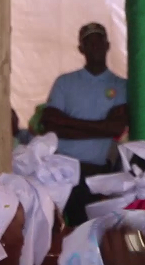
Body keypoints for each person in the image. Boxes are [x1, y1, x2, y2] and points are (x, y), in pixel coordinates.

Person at [40, 23, 128, 225]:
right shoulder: (65, 82)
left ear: (107, 46)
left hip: (95, 171)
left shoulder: (120, 85)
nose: (95, 47)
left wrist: (67, 123)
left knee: (90, 227)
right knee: (59, 227)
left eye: (99, 42)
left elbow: (116, 128)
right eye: (89, 43)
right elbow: (51, 126)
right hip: (60, 170)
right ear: (81, 48)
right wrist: (101, 127)